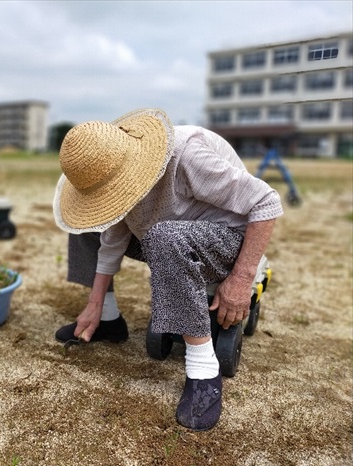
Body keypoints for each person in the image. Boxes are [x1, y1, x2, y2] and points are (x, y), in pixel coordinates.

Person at [52, 108, 283, 431]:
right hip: (167, 236)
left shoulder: (188, 157)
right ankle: (107, 320)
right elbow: (113, 236)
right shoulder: (116, 177)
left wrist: (241, 279)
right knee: (88, 227)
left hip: (227, 237)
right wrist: (93, 303)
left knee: (164, 235)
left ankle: (203, 368)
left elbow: (266, 203)